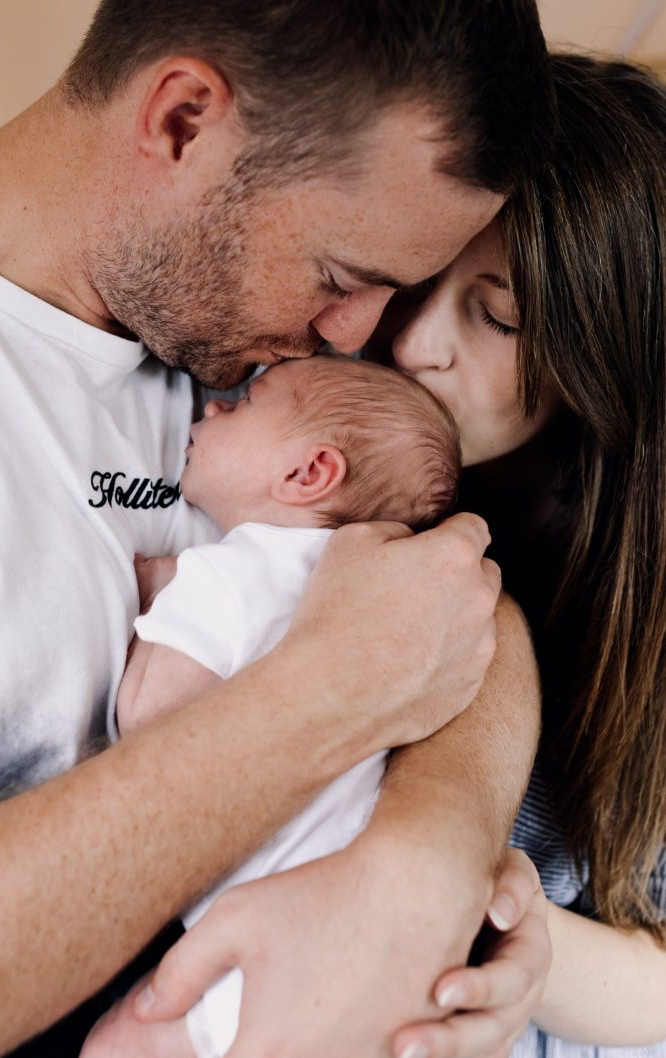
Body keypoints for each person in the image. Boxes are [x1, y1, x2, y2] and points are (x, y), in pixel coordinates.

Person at [0, 2, 552, 1054]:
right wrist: (323, 695)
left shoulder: (250, 349)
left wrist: (426, 857)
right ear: (184, 120)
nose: (369, 337)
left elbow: (457, 587)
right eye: (342, 276)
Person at [146, 53, 666, 1058]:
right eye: (416, 275)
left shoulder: (623, 601)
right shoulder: (289, 400)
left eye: (499, 314)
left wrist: (514, 939)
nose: (413, 340)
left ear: (600, 363)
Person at [81, 352, 461, 1058]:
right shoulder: (363, 585)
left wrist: (152, 605)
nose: (216, 407)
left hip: (274, 934)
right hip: (369, 929)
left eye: (248, 402)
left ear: (307, 473)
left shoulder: (226, 574)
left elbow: (152, 727)